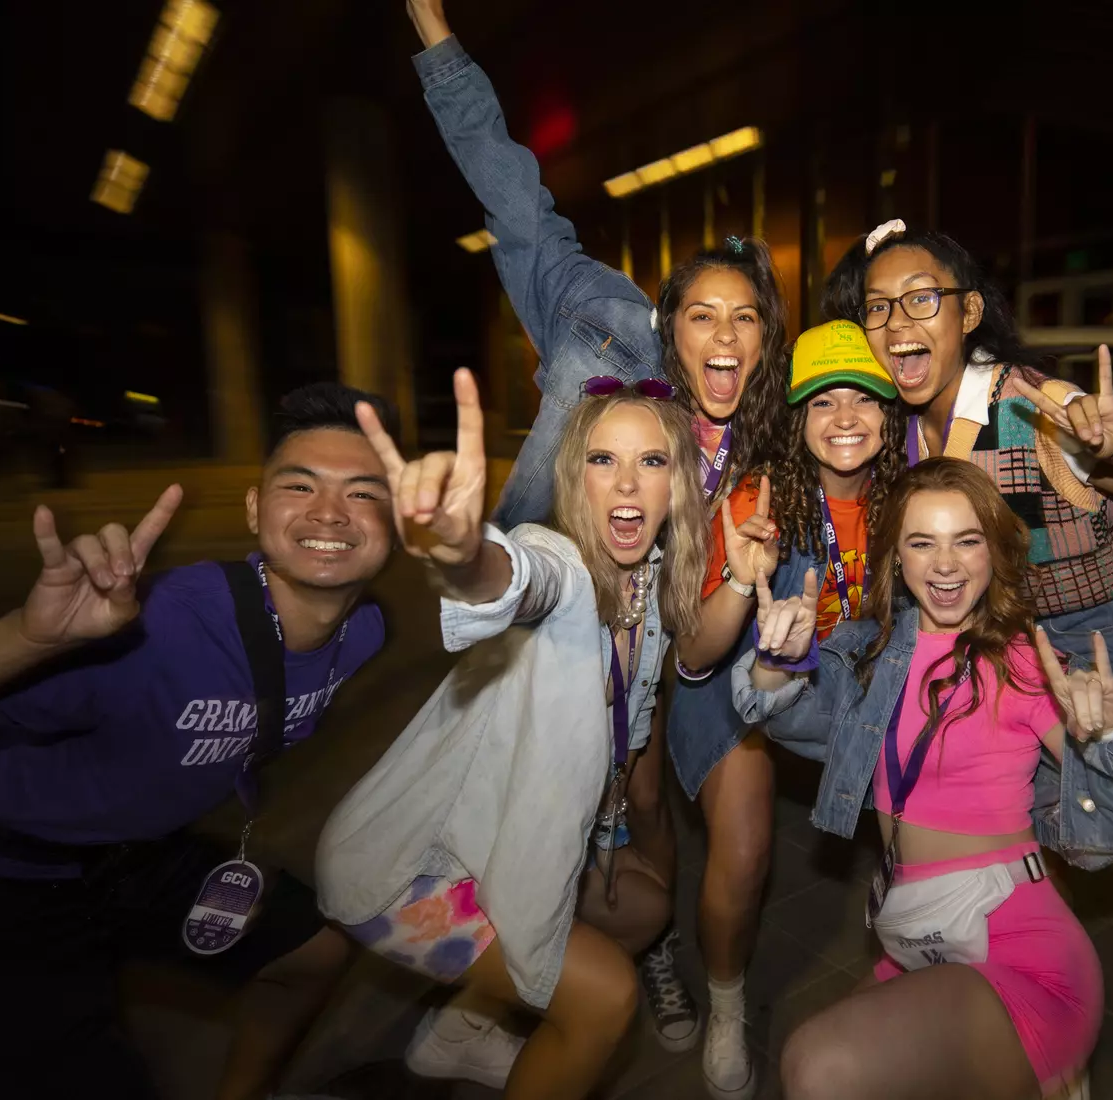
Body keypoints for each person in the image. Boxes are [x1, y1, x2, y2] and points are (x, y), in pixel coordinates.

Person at [401, 1, 795, 1067]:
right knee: (559, 808)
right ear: (669, 323)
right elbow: (518, 203)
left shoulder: (783, 436)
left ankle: (683, 969)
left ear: (767, 340)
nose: (724, 334)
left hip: (687, 643)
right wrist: (440, 46)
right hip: (556, 620)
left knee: (674, 810)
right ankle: (511, 979)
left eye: (748, 316)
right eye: (703, 313)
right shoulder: (605, 328)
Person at [0, 382, 397, 1100]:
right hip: (2, 870)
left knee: (314, 953)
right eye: (301, 486)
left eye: (363, 493)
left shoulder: (368, 632)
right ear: (256, 508)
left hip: (134, 857)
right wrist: (27, 637)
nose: (329, 512)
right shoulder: (154, 626)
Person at [734, 458, 1113, 1100]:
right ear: (895, 556)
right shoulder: (869, 654)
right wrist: (775, 668)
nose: (945, 564)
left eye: (967, 540)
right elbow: (798, 722)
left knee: (818, 1067)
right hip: (909, 941)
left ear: (996, 551)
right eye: (923, 542)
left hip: (1015, 954)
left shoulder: (1026, 665)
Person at [316, 372, 711, 1100]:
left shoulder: (649, 589)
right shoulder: (558, 564)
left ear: (678, 486)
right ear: (574, 478)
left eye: (651, 461)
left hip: (504, 851)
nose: (627, 480)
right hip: (410, 870)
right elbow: (514, 576)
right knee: (607, 998)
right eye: (602, 459)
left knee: (647, 909)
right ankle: (508, 1029)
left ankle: (460, 1035)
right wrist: (463, 551)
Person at [824, 220, 1113, 850]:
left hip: (1085, 624)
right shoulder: (897, 420)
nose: (897, 323)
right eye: (877, 307)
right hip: (994, 623)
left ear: (969, 310)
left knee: (1069, 808)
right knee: (987, 793)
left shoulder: (1035, 406)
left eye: (921, 298)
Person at [667, 319, 903, 1097]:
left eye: (862, 400)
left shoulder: (907, 500)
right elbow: (697, 657)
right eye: (823, 402)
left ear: (887, 416)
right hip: (738, 678)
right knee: (743, 849)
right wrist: (741, 579)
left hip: (837, 684)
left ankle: (917, 940)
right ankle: (729, 1003)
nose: (844, 419)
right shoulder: (757, 499)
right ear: (797, 420)